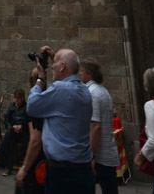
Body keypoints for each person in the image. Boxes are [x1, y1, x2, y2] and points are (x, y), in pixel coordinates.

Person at [27, 45, 94, 194]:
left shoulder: (59, 90)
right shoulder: (85, 91)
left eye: (55, 63)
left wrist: (40, 79)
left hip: (62, 173)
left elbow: (31, 106)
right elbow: (68, 70)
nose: (51, 67)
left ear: (62, 66)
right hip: (84, 170)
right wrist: (55, 57)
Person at [79, 59, 119, 194]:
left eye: (82, 71)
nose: (79, 74)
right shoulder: (101, 90)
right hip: (107, 155)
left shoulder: (93, 93)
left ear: (89, 74)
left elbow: (95, 126)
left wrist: (91, 156)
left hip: (101, 158)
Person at [15, 68, 46, 194]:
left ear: (30, 83)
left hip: (35, 162)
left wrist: (24, 168)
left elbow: (35, 139)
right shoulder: (48, 100)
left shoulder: (34, 105)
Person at [0, 88, 29, 176]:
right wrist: (11, 127)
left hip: (22, 132)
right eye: (15, 98)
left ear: (22, 98)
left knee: (9, 135)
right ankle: (8, 168)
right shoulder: (12, 106)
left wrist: (21, 126)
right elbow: (7, 120)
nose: (16, 100)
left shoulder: (26, 107)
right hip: (12, 130)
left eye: (18, 98)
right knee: (10, 139)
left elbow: (28, 122)